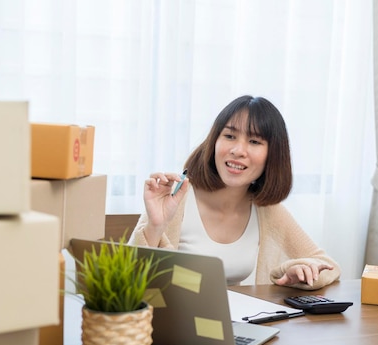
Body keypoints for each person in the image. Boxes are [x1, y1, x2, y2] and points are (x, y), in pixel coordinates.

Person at [128, 95, 340, 289]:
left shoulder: (267, 211)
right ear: (214, 142)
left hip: (238, 324)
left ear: (272, 156)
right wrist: (156, 226)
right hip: (169, 323)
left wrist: (299, 271)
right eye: (230, 136)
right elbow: (126, 277)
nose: (238, 150)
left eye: (255, 141)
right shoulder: (177, 197)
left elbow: (329, 267)